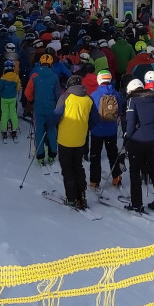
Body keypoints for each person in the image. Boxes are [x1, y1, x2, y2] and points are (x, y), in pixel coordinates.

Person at [123, 78, 154, 213]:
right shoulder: (152, 98)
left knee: (135, 172)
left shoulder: (133, 101)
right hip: (153, 139)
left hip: (138, 141)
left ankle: (137, 203)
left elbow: (131, 123)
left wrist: (128, 138)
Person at [53, 75, 97, 209]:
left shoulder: (66, 97)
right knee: (78, 167)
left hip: (65, 139)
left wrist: (51, 124)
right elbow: (95, 119)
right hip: (80, 139)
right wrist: (85, 126)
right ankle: (82, 195)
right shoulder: (88, 99)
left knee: (67, 169)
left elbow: (56, 115)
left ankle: (72, 197)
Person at [89, 71, 124, 189]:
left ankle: (95, 181)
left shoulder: (95, 95)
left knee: (95, 155)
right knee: (113, 153)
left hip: (97, 130)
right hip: (111, 130)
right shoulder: (116, 94)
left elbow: (91, 112)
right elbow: (119, 110)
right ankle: (116, 176)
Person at [25, 53, 61, 165]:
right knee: (51, 130)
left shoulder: (35, 76)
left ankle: (40, 155)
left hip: (38, 107)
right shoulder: (54, 77)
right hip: (51, 108)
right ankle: (52, 153)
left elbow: (27, 92)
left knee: (39, 130)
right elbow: (58, 94)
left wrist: (31, 100)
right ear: (50, 64)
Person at [0, 59, 21, 141]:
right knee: (13, 113)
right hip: (13, 98)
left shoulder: (3, 78)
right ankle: (14, 129)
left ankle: (4, 130)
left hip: (4, 98)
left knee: (4, 114)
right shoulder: (16, 77)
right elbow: (18, 88)